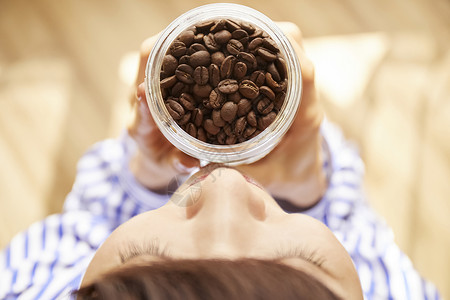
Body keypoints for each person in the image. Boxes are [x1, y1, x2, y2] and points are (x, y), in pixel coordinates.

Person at [0, 22, 440, 300]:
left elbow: (84, 222)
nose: (224, 183)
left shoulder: (27, 286)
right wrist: (304, 187)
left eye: (143, 256)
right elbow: (361, 236)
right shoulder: (394, 291)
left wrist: (147, 179)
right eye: (305, 260)